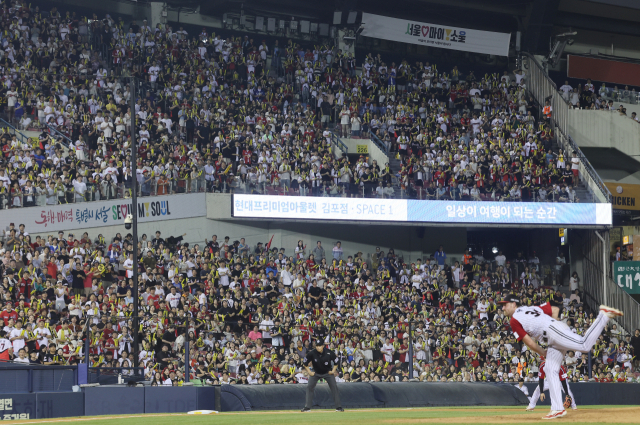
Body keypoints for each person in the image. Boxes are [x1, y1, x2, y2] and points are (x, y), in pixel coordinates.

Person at [499, 295, 622, 420]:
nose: (502, 307)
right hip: (553, 332)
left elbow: (530, 343)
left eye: (505, 304)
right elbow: (554, 309)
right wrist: (554, 324)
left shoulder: (514, 320)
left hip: (553, 331)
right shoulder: (530, 308)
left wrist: (544, 351)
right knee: (550, 369)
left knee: (584, 345)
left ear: (514, 304)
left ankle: (603, 316)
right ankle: (557, 408)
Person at [301, 339, 344, 412]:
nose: (318, 347)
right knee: (309, 387)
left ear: (323, 346)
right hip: (316, 372)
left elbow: (337, 362)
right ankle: (307, 407)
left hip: (327, 372)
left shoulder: (329, 353)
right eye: (317, 346)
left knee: (334, 387)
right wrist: (309, 372)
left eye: (319, 346)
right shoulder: (312, 353)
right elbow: (304, 363)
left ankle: (338, 407)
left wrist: (333, 371)